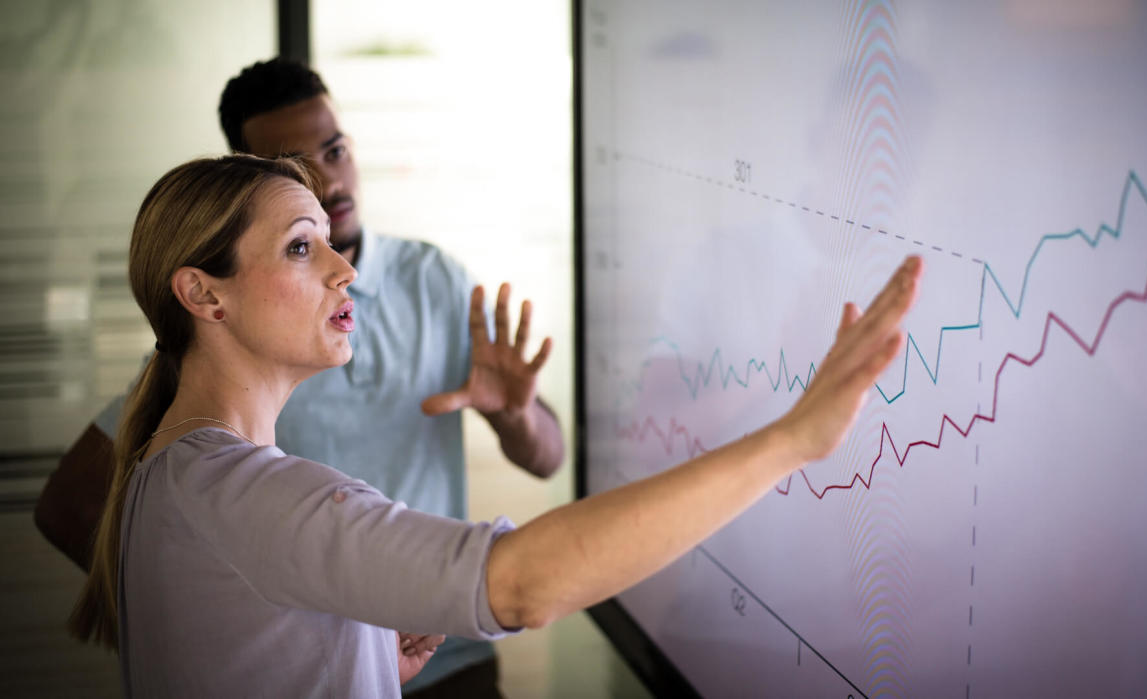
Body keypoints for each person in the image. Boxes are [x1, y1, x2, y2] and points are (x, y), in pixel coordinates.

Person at [68, 153, 922, 698]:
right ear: (202, 293)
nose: (344, 269)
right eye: (301, 247)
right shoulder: (243, 492)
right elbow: (520, 585)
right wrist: (788, 440)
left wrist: (361, 661)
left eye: (330, 240)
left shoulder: (170, 471)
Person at [34, 58, 564, 695]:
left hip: (429, 655)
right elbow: (522, 583)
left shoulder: (435, 281)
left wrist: (513, 414)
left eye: (336, 150)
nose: (331, 181)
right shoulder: (220, 431)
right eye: (298, 244)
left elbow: (548, 458)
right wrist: (242, 639)